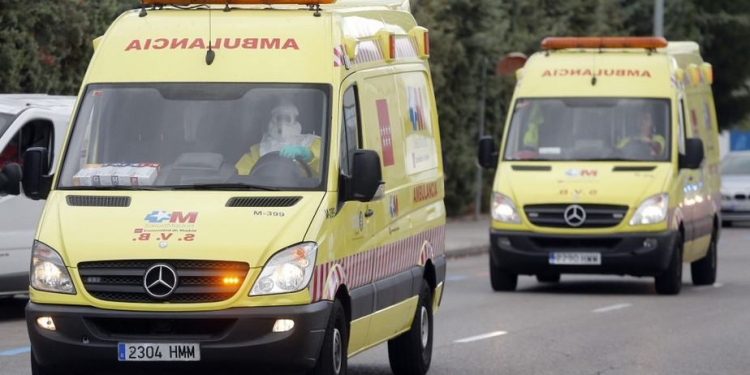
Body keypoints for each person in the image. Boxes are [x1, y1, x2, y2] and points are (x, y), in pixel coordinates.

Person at [235, 100, 322, 176]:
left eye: (287, 118)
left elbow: (327, 167)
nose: (282, 123)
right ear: (272, 119)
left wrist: (309, 155)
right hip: (264, 191)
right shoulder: (258, 150)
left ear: (295, 119)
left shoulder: (312, 142)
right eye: (279, 118)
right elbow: (240, 177)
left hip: (306, 191)